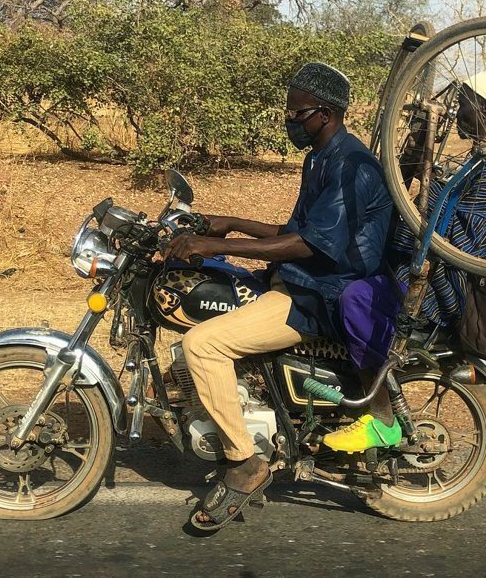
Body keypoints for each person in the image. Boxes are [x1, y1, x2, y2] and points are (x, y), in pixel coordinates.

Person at [164, 62, 393, 530]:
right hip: (303, 279)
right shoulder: (321, 158)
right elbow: (295, 232)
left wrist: (217, 244)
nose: (289, 121)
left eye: (296, 113)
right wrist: (229, 223)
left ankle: (244, 463)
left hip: (321, 294)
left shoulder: (353, 167)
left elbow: (310, 245)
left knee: (202, 345)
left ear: (324, 114)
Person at [324, 63, 486, 453]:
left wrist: (426, 185)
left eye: (466, 104)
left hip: (452, 297)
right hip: (449, 281)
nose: (459, 112)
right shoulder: (485, 163)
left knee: (355, 297)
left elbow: (463, 248)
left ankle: (381, 416)